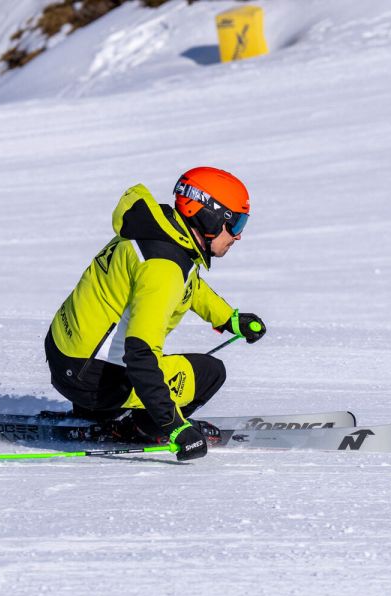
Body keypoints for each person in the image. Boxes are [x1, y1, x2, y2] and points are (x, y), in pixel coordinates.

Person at [44, 167, 267, 461]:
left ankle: (99, 411)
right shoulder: (164, 268)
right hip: (94, 381)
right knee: (211, 373)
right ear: (210, 216)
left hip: (65, 357)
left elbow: (191, 285)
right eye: (235, 224)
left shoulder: (154, 231)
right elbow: (140, 354)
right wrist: (173, 427)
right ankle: (137, 426)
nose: (237, 237)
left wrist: (229, 318)